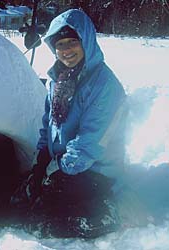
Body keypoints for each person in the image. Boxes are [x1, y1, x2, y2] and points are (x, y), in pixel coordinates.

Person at [11, 9, 130, 238]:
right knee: (27, 198)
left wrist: (57, 170)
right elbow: (49, 124)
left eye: (72, 42)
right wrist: (42, 160)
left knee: (46, 216)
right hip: (64, 163)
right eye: (60, 44)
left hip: (97, 169)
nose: (66, 50)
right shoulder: (58, 79)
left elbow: (90, 143)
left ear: (85, 41)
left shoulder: (105, 86)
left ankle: (104, 215)